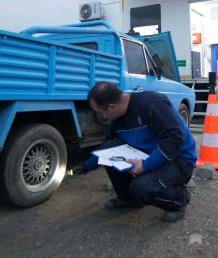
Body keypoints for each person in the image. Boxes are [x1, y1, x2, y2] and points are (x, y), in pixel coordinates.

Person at [82, 81, 197, 222]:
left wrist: (145, 166)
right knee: (110, 151)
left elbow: (174, 138)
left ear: (111, 107)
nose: (103, 117)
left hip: (179, 159)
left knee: (140, 188)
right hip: (149, 155)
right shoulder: (116, 119)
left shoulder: (152, 103)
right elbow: (108, 146)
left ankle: (179, 199)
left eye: (101, 112)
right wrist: (86, 166)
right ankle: (128, 199)